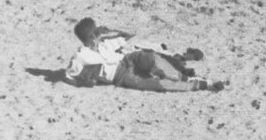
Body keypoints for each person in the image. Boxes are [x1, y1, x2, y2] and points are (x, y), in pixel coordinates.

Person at [64, 17, 224, 92]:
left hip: (128, 59)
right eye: (96, 31)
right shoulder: (81, 56)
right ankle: (202, 85)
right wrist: (85, 83)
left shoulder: (105, 43)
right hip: (120, 76)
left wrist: (112, 29)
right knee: (157, 84)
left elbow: (130, 34)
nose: (99, 33)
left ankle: (184, 77)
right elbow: (69, 76)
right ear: (91, 36)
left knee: (151, 58)